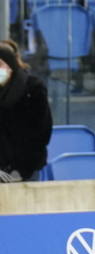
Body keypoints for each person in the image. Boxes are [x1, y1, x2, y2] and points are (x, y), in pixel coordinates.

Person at [0, 39, 50, 182]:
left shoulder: (33, 88)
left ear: (10, 64)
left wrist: (19, 171)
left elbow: (41, 132)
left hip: (25, 169)